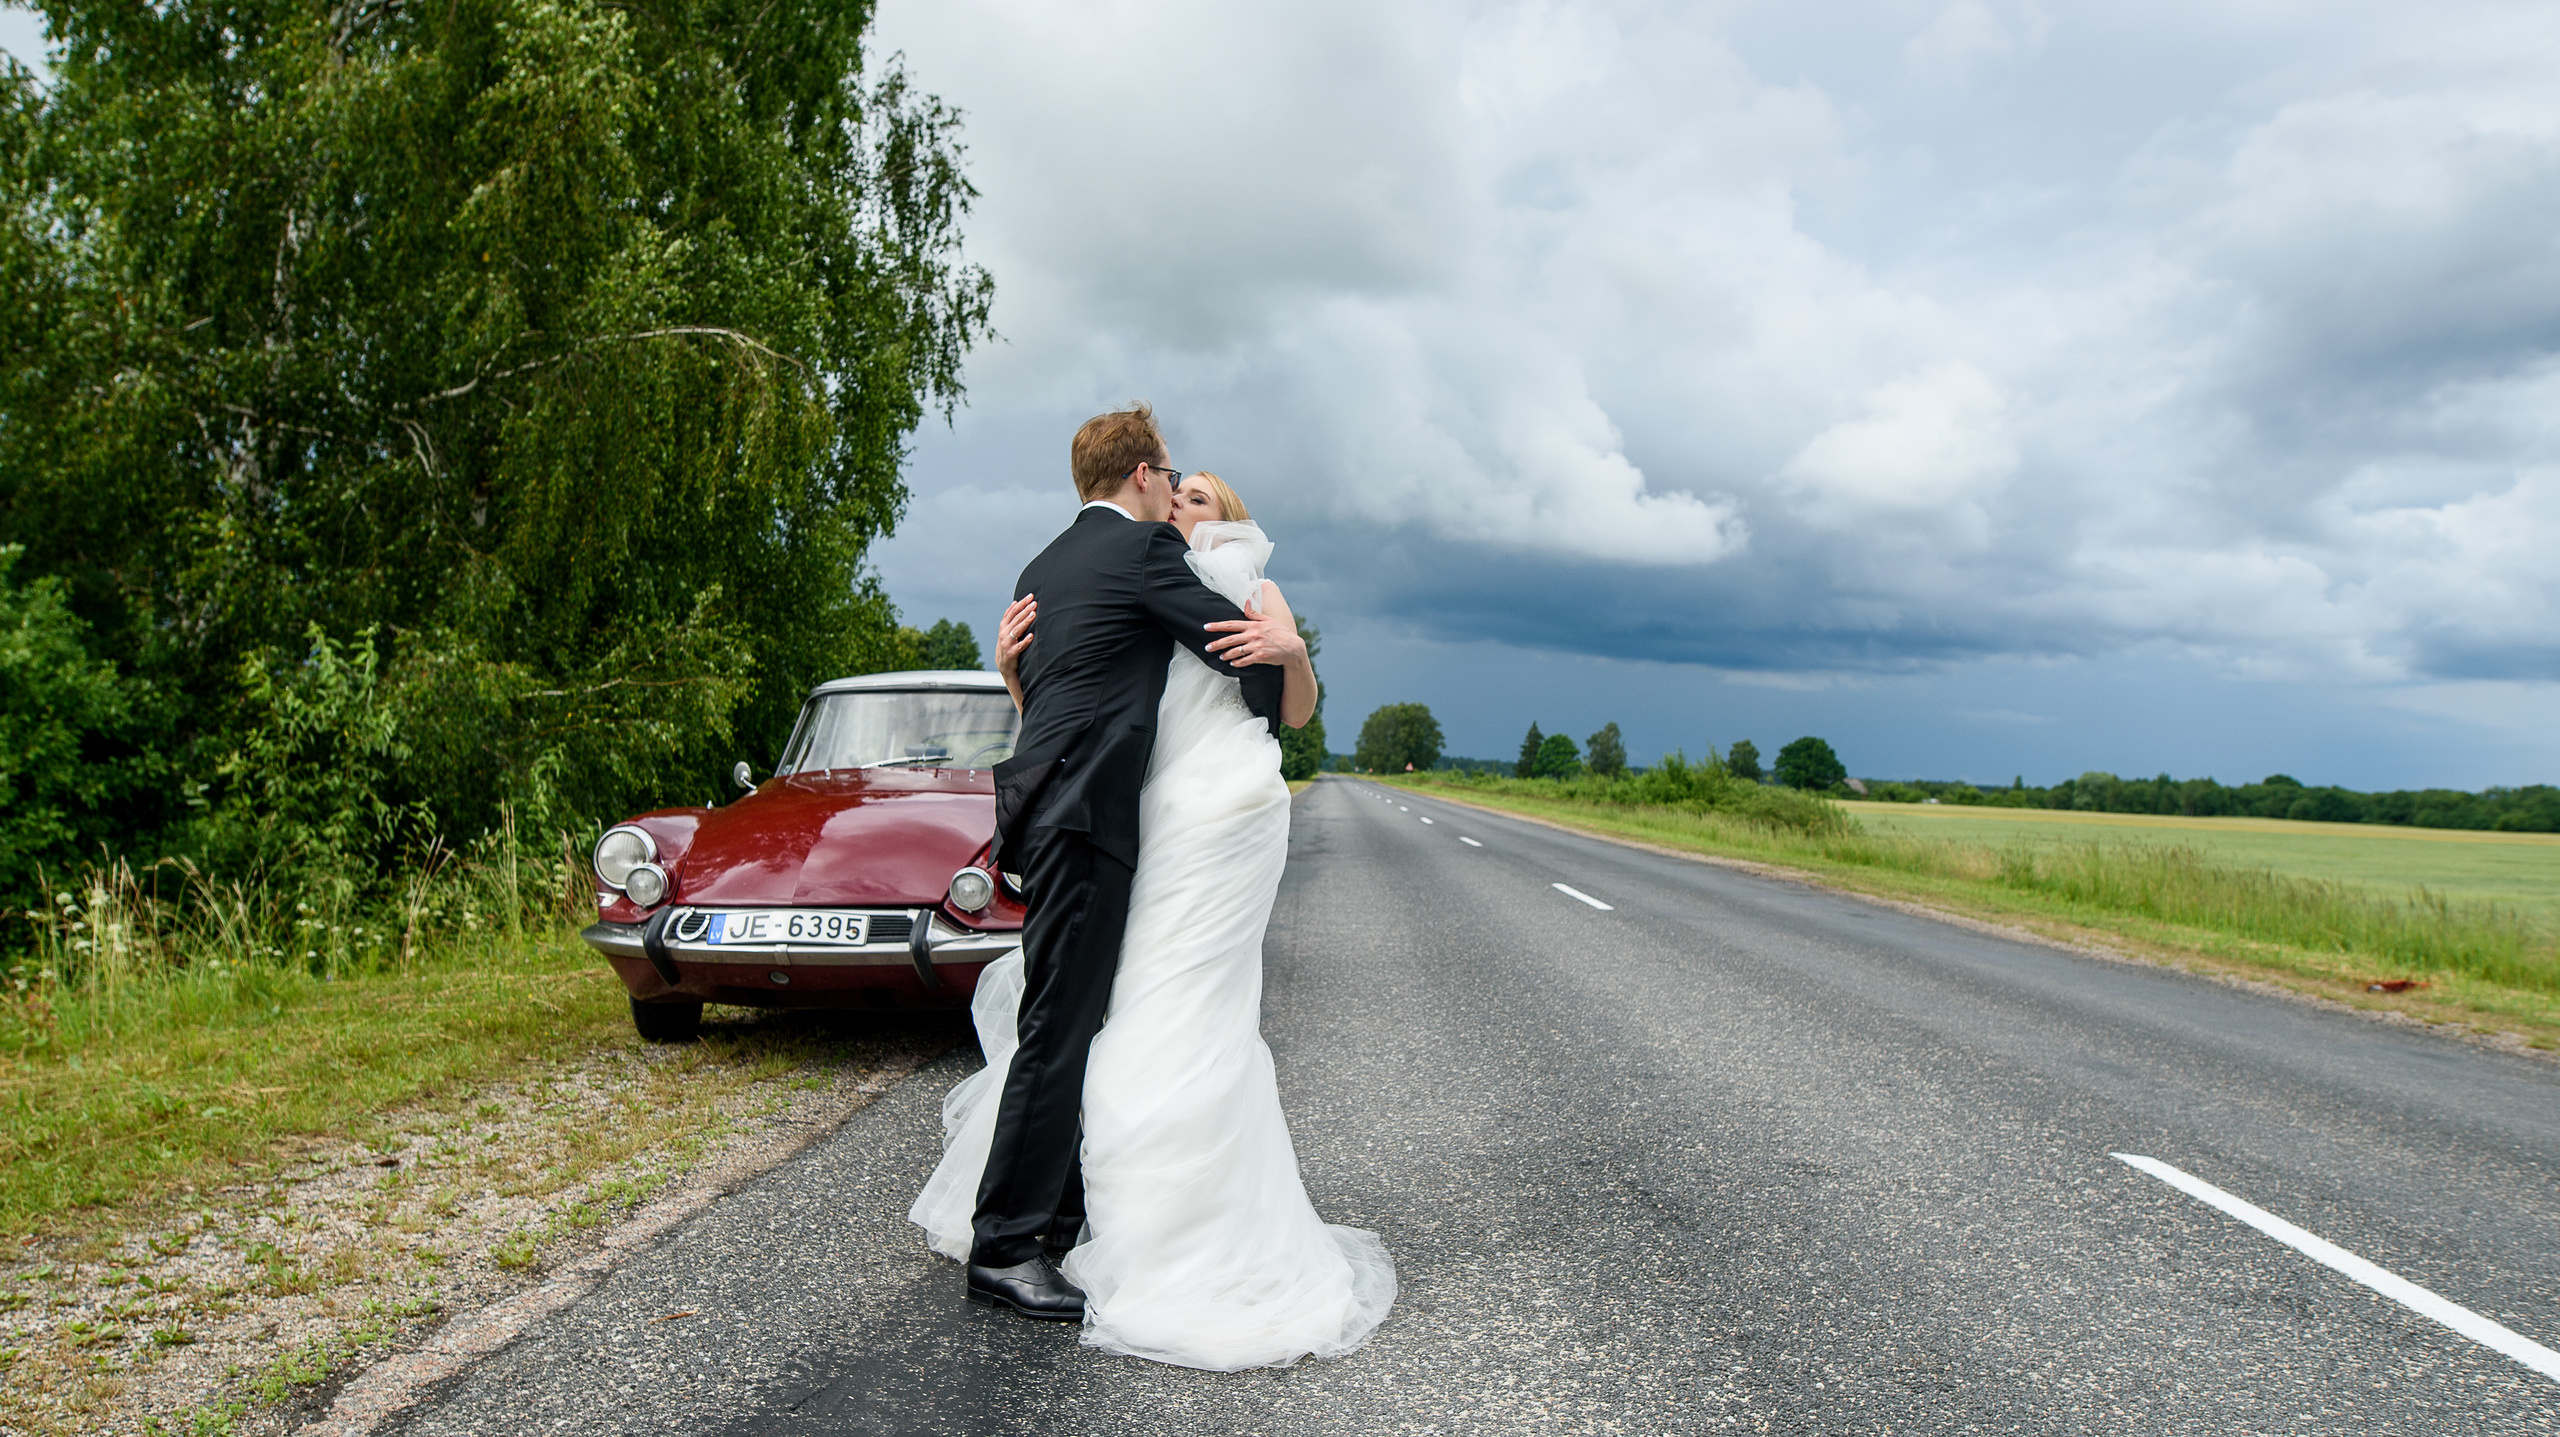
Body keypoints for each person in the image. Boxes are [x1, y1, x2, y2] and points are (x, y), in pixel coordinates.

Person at [910, 428, 1395, 1371]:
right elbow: (1239, 663)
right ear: (1143, 474)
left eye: (1193, 491)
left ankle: (1055, 1217)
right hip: (1092, 819)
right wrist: (1279, 654)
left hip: (1069, 812)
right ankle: (1006, 1245)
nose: (1176, 495)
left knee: (1083, 1017)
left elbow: (1068, 688)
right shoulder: (1142, 550)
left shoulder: (1046, 562)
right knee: (1061, 1027)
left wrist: (1013, 676)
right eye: (1172, 478)